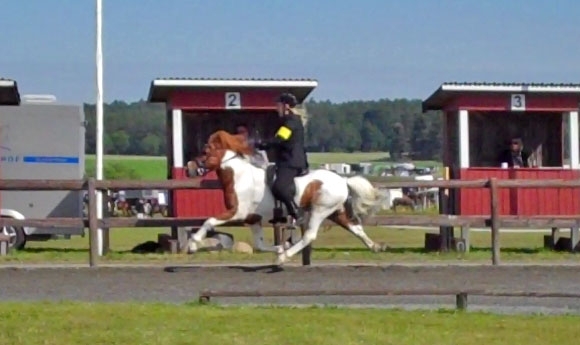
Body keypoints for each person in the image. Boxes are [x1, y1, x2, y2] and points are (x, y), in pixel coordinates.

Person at [255, 92, 309, 226]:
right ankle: (278, 213)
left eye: (278, 105)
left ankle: (296, 212)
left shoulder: (291, 122)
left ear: (286, 106)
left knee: (280, 187)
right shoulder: (288, 121)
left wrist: (263, 144)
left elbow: (280, 139)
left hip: (291, 161)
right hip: (285, 160)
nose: (276, 108)